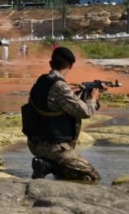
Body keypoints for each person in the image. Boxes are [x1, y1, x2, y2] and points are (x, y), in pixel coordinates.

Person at [25, 46, 101, 182]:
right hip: (53, 147)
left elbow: (51, 101)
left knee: (68, 172)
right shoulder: (60, 86)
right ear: (70, 65)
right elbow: (86, 112)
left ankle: (48, 165)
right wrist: (93, 99)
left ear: (51, 63)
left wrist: (73, 94)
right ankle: (47, 166)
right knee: (91, 177)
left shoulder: (42, 81)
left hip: (35, 142)